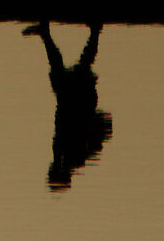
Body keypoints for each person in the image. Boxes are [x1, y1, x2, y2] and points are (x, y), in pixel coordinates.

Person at [26, 20, 111, 189]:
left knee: (67, 69)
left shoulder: (65, 156)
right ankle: (93, 31)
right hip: (81, 101)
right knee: (79, 67)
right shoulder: (76, 157)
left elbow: (62, 125)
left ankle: (48, 34)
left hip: (74, 101)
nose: (50, 168)